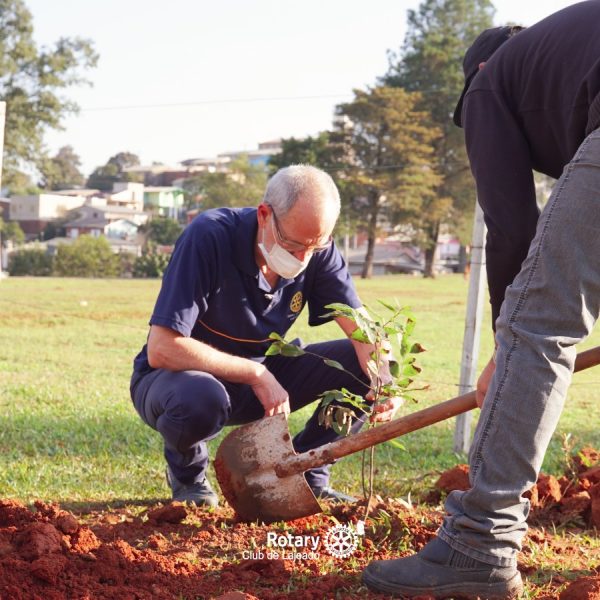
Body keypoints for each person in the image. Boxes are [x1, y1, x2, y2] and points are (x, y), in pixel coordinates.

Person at [363, 2, 600, 598]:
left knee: (538, 325)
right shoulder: (561, 55)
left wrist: (507, 342)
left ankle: (479, 544)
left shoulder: (491, 81)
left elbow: (513, 224)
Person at [130, 165, 401, 507]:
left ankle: (308, 472)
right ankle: (188, 478)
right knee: (201, 398)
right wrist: (255, 373)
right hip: (179, 382)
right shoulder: (209, 236)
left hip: (263, 377)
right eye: (292, 243)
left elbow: (364, 330)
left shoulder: (318, 250)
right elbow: (162, 348)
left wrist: (386, 378)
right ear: (263, 215)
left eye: (314, 247)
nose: (303, 258)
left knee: (363, 368)